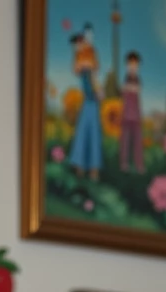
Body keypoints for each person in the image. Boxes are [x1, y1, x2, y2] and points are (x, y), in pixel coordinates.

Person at [69, 24, 102, 181]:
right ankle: (80, 166)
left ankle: (93, 169)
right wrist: (82, 60)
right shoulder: (80, 56)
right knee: (83, 131)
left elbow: (95, 69)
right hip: (87, 100)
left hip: (93, 99)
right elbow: (76, 68)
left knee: (93, 132)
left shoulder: (90, 54)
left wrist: (98, 90)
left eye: (89, 36)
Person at [120, 50, 143, 173]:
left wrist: (131, 88)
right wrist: (129, 88)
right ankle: (124, 163)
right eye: (131, 64)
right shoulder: (127, 78)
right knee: (126, 140)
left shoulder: (137, 79)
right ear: (127, 65)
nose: (133, 67)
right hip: (127, 113)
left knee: (137, 140)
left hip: (136, 114)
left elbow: (137, 89)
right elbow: (124, 90)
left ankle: (139, 164)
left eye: (136, 65)